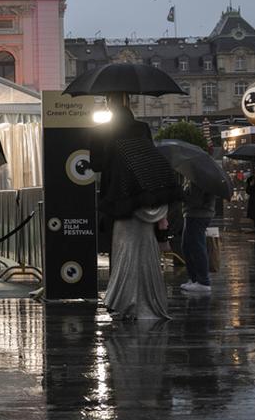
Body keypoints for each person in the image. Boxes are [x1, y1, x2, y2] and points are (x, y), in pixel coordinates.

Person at [90, 94, 182, 320]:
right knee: (145, 252)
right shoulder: (141, 129)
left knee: (121, 251)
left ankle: (122, 300)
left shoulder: (103, 132)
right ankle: (145, 299)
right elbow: (148, 160)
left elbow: (96, 164)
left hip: (118, 199)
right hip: (143, 198)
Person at [180, 180, 217, 295]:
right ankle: (195, 279)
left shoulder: (199, 179)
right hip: (193, 214)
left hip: (198, 215)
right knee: (187, 246)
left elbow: (195, 200)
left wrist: (182, 194)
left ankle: (203, 281)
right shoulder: (194, 177)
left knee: (196, 247)